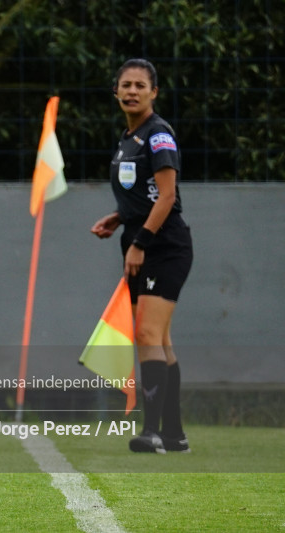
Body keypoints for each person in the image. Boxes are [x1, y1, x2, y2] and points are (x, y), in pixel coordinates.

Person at [91, 58, 193, 454]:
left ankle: (151, 432)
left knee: (148, 334)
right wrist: (119, 217)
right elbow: (145, 195)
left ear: (154, 92)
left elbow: (168, 197)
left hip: (163, 246)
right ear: (116, 91)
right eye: (126, 85)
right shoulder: (128, 138)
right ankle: (174, 435)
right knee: (158, 338)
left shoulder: (158, 134)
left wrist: (139, 242)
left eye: (140, 85)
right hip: (140, 239)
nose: (132, 91)